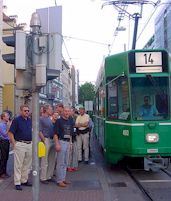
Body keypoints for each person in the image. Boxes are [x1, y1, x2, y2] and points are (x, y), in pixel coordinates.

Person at [8, 105, 32, 191]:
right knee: (18, 164)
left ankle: (24, 180)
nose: (27, 112)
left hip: (29, 144)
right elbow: (10, 133)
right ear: (21, 111)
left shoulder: (30, 120)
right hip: (20, 144)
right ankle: (17, 182)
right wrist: (14, 144)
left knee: (27, 164)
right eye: (25, 110)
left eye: (28, 110)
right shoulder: (17, 120)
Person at [54, 106, 74, 187]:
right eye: (65, 111)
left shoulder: (70, 120)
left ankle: (63, 178)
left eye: (68, 111)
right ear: (62, 112)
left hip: (68, 142)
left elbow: (71, 133)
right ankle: (59, 180)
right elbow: (55, 133)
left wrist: (71, 143)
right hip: (61, 142)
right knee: (60, 162)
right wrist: (57, 144)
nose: (67, 113)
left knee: (66, 162)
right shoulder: (58, 121)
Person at [39, 104, 56, 184]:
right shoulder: (41, 119)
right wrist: (44, 140)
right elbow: (39, 131)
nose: (52, 110)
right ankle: (43, 177)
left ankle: (49, 176)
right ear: (46, 110)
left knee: (51, 159)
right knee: (44, 160)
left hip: (52, 139)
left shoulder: (50, 118)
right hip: (46, 139)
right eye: (50, 109)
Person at [67, 107, 79, 172]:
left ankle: (74, 165)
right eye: (69, 111)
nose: (70, 112)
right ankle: (69, 166)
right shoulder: (68, 119)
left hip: (74, 136)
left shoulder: (74, 118)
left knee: (75, 152)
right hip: (70, 137)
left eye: (71, 111)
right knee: (70, 153)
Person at [0, 112, 10, 179]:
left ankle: (4, 172)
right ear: (3, 117)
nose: (8, 117)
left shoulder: (5, 124)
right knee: (3, 157)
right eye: (7, 116)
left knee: (6, 157)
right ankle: (1, 173)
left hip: (6, 141)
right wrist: (9, 127)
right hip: (3, 142)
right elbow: (4, 134)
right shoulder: (1, 125)